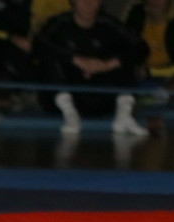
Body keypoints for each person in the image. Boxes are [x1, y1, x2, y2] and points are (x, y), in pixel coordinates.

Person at [33, 0, 150, 135]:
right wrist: (75, 60)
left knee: (125, 58)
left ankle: (124, 115)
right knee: (49, 57)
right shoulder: (59, 23)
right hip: (64, 95)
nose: (88, 4)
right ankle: (70, 114)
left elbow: (140, 47)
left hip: (99, 95)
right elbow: (39, 45)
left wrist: (107, 64)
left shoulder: (108, 23)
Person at [121, 0, 174, 94]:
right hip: (137, 72)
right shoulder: (135, 13)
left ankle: (160, 96)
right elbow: (121, 44)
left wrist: (149, 72)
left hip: (167, 75)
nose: (155, 2)